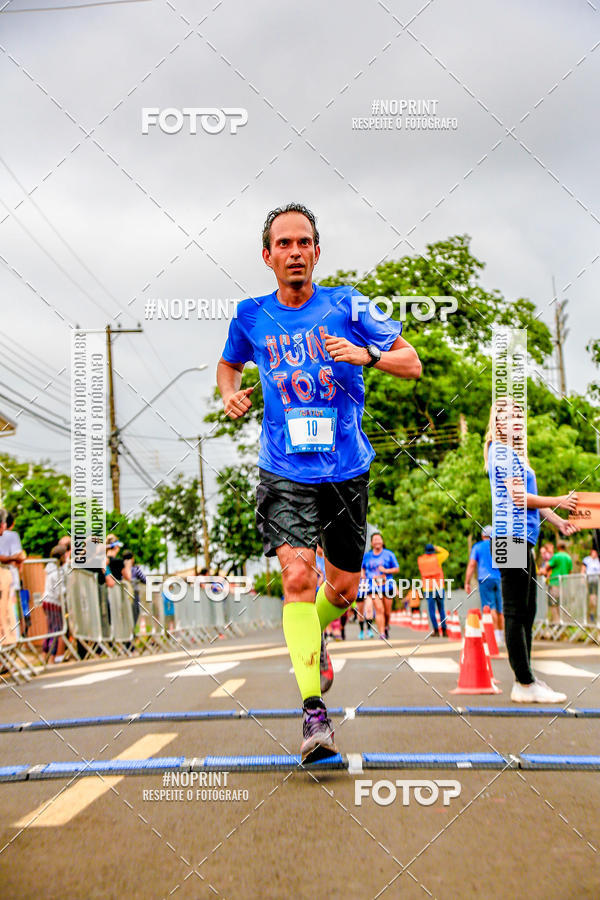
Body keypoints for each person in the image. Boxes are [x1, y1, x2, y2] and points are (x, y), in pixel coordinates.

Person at [217, 202, 422, 762]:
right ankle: (314, 717)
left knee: (345, 590)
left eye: (303, 242)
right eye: (283, 244)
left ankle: (319, 633)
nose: (295, 252)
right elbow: (228, 364)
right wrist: (227, 392)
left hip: (346, 468)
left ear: (316, 252)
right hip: (283, 469)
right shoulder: (250, 315)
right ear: (267, 256)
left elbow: (413, 363)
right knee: (298, 583)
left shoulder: (348, 303)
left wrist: (367, 354)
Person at [485, 398, 578, 703]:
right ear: (497, 423)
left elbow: (531, 500)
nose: (517, 422)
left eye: (520, 416)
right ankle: (524, 682)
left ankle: (527, 679)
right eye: (510, 417)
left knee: (528, 610)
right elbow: (518, 497)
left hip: (522, 536)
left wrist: (558, 522)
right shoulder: (500, 452)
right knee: (515, 609)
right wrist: (559, 499)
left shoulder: (515, 455)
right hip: (509, 536)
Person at [464, 525, 504, 647]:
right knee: (500, 609)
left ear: (482, 536)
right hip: (500, 578)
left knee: (489, 608)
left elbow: (471, 565)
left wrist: (467, 582)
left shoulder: (478, 547)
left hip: (485, 579)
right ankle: (501, 636)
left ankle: (495, 637)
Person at [361, 532, 399, 639]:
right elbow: (362, 568)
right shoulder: (367, 556)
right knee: (379, 609)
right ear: (372, 543)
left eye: (379, 539)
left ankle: (386, 626)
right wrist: (363, 575)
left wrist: (386, 570)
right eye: (375, 540)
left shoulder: (389, 554)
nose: (377, 541)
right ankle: (382, 633)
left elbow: (397, 569)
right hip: (373, 587)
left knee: (387, 612)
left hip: (387, 586)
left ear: (382, 542)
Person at [417, 543, 449, 636]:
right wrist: (437, 547)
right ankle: (444, 630)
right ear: (433, 550)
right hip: (439, 587)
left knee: (431, 610)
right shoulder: (437, 558)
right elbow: (446, 553)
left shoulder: (420, 560)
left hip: (427, 588)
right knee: (441, 609)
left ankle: (436, 631)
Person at [42, 545, 67, 663]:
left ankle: (45, 656)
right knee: (55, 630)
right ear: (62, 557)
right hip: (53, 603)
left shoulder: (52, 569)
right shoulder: (56, 572)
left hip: (49, 602)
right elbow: (59, 592)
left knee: (52, 630)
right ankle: (50, 657)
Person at [543, 541, 573, 625]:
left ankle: (556, 622)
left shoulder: (556, 556)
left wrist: (545, 573)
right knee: (562, 604)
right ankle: (563, 622)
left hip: (554, 583)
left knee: (553, 603)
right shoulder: (568, 557)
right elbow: (570, 571)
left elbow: (547, 566)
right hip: (564, 584)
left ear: (558, 547)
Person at [581, 547, 600, 623]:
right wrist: (582, 579)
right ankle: (592, 614)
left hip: (598, 581)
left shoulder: (598, 560)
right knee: (593, 599)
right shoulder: (587, 559)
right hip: (591, 581)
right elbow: (583, 570)